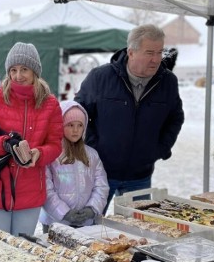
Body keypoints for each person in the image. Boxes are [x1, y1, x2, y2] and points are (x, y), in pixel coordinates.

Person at [75, 24, 184, 212]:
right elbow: (77, 115)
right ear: (131, 52)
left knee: (137, 230)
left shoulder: (168, 82)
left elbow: (175, 118)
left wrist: (159, 149)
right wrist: (92, 148)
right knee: (88, 226)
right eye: (150, 52)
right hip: (100, 172)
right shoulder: (100, 77)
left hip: (140, 176)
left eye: (160, 52)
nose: (156, 59)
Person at [0, 42, 63, 236]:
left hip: (30, 192)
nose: (18, 76)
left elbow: (55, 145)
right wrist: (4, 143)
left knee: (23, 251)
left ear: (35, 72)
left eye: (24, 69)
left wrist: (39, 153)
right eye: (13, 70)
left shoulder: (50, 103)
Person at [39, 101, 109, 232]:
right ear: (60, 125)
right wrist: (64, 213)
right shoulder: (51, 154)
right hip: (55, 223)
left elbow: (101, 186)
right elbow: (45, 189)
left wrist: (91, 209)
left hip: (85, 223)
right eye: (70, 125)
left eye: (80, 125)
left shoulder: (92, 155)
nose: (76, 130)